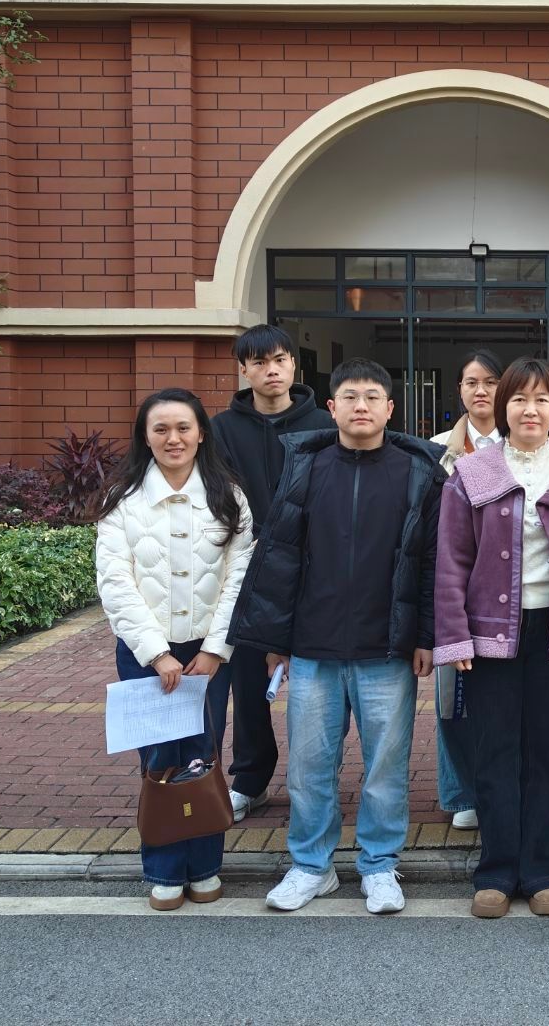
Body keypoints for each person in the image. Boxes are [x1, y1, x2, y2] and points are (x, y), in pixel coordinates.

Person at [228, 358, 445, 915]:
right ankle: (311, 866)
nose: (361, 406)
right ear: (331, 407)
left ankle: (379, 864)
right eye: (350, 396)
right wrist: (276, 639)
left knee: (385, 768)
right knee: (309, 767)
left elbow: (430, 562)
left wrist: (426, 635)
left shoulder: (419, 473)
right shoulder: (306, 466)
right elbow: (281, 557)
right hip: (312, 647)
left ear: (390, 408)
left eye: (372, 397)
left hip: (386, 648)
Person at [434, 358, 549, 919]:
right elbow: (450, 561)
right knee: (494, 752)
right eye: (519, 399)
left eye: (541, 399)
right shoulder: (471, 474)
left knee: (546, 751)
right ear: (503, 407)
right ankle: (495, 871)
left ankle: (542, 871)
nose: (530, 410)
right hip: (490, 634)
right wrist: (455, 637)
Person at [94, 388, 253, 911]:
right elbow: (115, 582)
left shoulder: (229, 497)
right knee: (160, 758)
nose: (173, 438)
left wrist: (216, 650)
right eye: (160, 429)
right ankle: (163, 870)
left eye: (183, 427)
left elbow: (239, 579)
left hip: (208, 651)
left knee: (204, 755)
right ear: (145, 437)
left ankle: (205, 866)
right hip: (146, 650)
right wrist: (155, 653)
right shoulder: (122, 499)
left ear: (201, 433)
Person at [210, 323, 333, 824]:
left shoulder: (323, 423)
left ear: (293, 365)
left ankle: (319, 780)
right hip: (249, 569)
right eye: (259, 363)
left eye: (280, 360)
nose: (271, 370)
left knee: (318, 680)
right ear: (244, 370)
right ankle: (250, 780)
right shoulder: (221, 429)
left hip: (314, 566)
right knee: (247, 682)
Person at [428, 348, 505, 833]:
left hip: (506, 593)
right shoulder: (436, 450)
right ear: (459, 389)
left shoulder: (524, 444)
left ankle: (499, 785)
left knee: (499, 699)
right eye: (472, 382)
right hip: (453, 587)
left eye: (491, 382)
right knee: (450, 697)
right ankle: (461, 793)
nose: (481, 391)